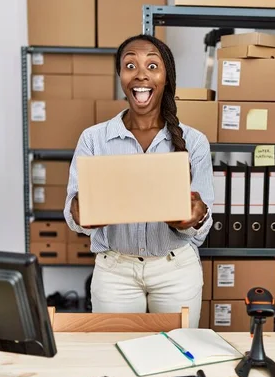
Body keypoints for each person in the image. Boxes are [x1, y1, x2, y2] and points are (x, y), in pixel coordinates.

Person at [63, 34, 214, 328]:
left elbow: (205, 222)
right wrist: (79, 213)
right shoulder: (93, 139)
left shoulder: (194, 142)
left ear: (166, 78)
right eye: (130, 65)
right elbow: (72, 214)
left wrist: (196, 216)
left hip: (176, 270)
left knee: (176, 355)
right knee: (115, 355)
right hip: (114, 272)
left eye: (152, 66)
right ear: (120, 76)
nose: (141, 73)